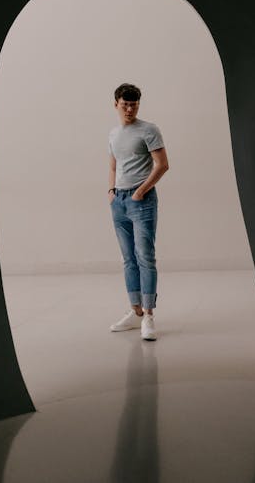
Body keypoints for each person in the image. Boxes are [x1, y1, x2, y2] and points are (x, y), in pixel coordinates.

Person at [108, 83, 169, 340]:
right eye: (125, 105)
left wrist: (141, 191)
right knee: (128, 258)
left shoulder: (149, 130)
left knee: (145, 257)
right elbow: (113, 165)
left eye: (134, 104)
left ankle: (149, 315)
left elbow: (163, 164)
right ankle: (135, 312)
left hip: (141, 200)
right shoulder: (113, 134)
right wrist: (111, 192)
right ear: (116, 105)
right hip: (119, 201)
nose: (130, 109)